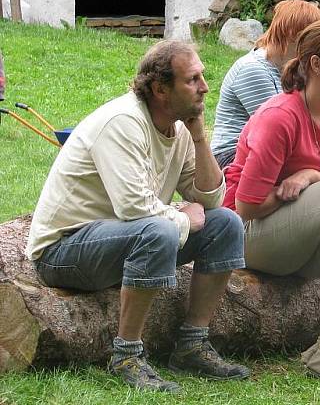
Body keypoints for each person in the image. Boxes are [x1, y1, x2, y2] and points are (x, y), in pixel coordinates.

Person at [26, 40, 249, 393]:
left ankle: (192, 345)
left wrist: (200, 139)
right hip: (63, 250)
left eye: (202, 76)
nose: (205, 87)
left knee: (226, 224)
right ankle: (126, 355)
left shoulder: (178, 127)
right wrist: (183, 218)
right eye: (192, 79)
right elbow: (134, 208)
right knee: (159, 230)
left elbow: (211, 198)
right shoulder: (123, 122)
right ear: (160, 89)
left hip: (118, 241)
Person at [223, 18, 320, 330]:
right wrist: (313, 190)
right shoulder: (279, 117)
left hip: (302, 243)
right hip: (247, 236)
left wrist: (311, 177)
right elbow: (247, 207)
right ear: (316, 64)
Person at [211, 0, 320, 167]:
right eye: (313, 38)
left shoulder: (289, 68)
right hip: (229, 156)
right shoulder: (253, 69)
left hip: (262, 148)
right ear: (294, 35)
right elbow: (280, 128)